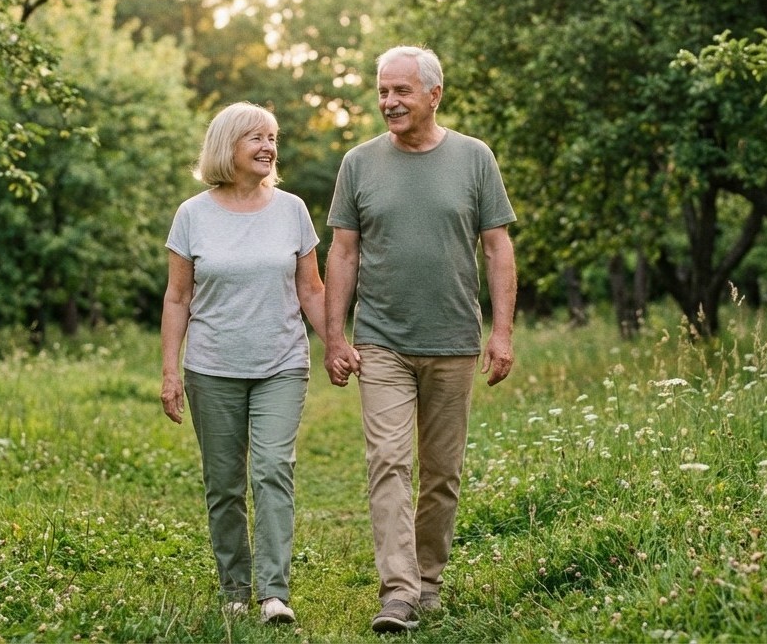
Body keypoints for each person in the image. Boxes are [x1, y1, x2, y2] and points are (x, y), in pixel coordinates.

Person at [323, 45, 517, 633]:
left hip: (454, 340)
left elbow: (497, 247)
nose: (389, 102)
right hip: (381, 339)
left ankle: (429, 580)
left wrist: (501, 331)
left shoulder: (474, 158)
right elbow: (344, 252)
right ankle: (399, 591)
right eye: (383, 91)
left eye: (401, 91)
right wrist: (335, 336)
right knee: (388, 461)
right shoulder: (358, 163)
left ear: (434, 94)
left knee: (441, 472)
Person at [160, 101, 326, 626]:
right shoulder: (192, 214)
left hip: (281, 362)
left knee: (273, 469)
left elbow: (311, 288)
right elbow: (177, 298)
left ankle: (273, 592)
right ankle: (235, 585)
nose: (268, 146)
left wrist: (336, 343)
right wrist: (171, 371)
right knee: (224, 483)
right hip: (212, 368)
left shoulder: (293, 209)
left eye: (272, 137)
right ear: (226, 145)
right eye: (255, 137)